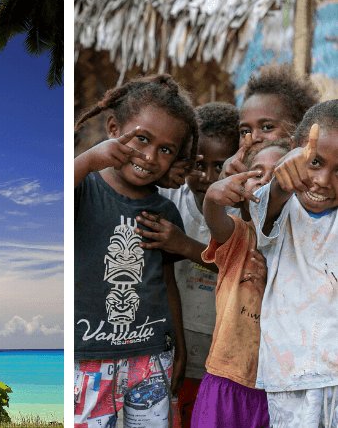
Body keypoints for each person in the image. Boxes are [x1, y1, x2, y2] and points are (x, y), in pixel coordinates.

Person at [74, 74, 198, 428]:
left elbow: (166, 283)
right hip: (88, 361)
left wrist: (180, 346)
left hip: (151, 359)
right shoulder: (85, 190)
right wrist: (88, 158)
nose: (149, 156)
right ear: (114, 127)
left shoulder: (165, 212)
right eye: (142, 139)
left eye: (166, 149)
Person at [135, 102, 240, 427]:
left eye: (220, 166)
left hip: (228, 349)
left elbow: (248, 272)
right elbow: (164, 277)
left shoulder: (245, 211)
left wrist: (184, 245)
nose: (208, 177)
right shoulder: (171, 202)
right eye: (198, 164)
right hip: (179, 344)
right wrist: (178, 348)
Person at [249, 100, 338, 427]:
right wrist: (281, 181)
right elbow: (267, 205)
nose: (324, 180)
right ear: (293, 154)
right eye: (315, 162)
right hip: (291, 377)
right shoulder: (278, 207)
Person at [191, 139, 291, 428]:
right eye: (257, 173)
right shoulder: (239, 237)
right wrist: (212, 197)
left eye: (280, 174)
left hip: (274, 386)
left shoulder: (300, 247)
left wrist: (270, 280)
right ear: (241, 186)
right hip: (225, 378)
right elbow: (215, 219)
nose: (268, 182)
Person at [223, 63, 319, 178]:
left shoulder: (316, 184)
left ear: (299, 128)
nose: (253, 138)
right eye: (245, 131)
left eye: (267, 127)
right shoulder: (234, 183)